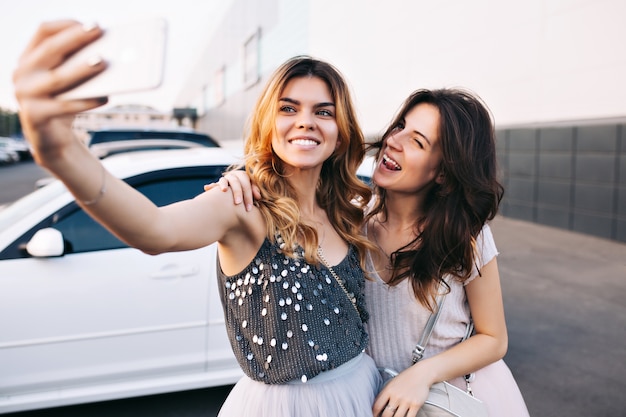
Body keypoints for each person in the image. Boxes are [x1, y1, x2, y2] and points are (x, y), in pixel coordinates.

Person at [13, 20, 382, 417]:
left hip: (360, 389)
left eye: (323, 112)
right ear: (268, 123)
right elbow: (155, 231)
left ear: (340, 133)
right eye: (288, 108)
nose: (306, 121)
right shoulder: (243, 205)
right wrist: (61, 152)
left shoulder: (347, 211)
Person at [214, 88, 530, 417]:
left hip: (447, 399)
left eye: (417, 141)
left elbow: (494, 338)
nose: (394, 140)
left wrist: (422, 375)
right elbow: (292, 192)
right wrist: (241, 180)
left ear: (443, 172)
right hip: (372, 400)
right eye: (400, 126)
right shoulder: (349, 224)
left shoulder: (466, 236)